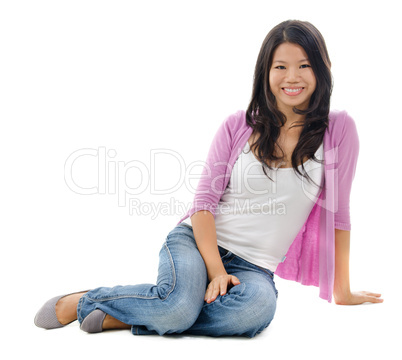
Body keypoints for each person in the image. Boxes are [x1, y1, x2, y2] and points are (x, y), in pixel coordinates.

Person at [34, 19, 383, 338]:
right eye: (281, 67)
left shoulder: (338, 131)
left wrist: (343, 290)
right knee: (177, 305)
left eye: (304, 66)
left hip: (255, 269)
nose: (292, 77)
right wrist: (216, 271)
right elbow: (202, 205)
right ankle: (86, 300)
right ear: (265, 72)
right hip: (197, 244)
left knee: (256, 310)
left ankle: (128, 316)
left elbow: (339, 213)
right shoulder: (238, 125)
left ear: (322, 69)